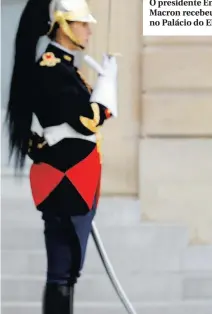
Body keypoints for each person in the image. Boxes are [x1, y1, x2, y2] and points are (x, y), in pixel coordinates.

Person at [5, 0, 117, 313]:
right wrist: (107, 89)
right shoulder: (52, 69)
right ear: (64, 26)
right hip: (65, 181)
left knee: (67, 271)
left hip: (74, 180)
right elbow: (87, 117)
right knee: (61, 271)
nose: (89, 30)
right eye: (83, 24)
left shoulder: (67, 67)